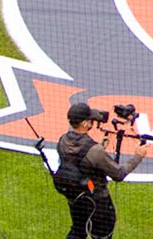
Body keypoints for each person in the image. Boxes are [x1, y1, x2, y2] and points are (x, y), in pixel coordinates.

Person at [56, 101, 146, 239]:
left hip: (75, 199)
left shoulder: (62, 141)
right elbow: (119, 174)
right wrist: (138, 156)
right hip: (98, 203)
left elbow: (78, 161)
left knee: (78, 231)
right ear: (85, 124)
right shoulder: (95, 151)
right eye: (90, 119)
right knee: (102, 236)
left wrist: (99, 148)